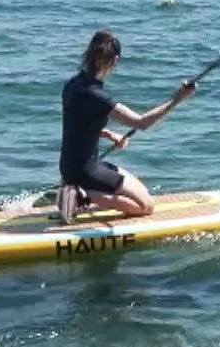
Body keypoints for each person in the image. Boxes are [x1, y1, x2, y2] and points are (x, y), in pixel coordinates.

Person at [58, 29, 196, 220]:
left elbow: (77, 125)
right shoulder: (97, 97)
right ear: (114, 61)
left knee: (142, 191)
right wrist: (177, 99)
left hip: (70, 166)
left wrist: (108, 134)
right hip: (86, 171)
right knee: (146, 206)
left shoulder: (72, 85)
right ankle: (80, 195)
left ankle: (74, 188)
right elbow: (142, 123)